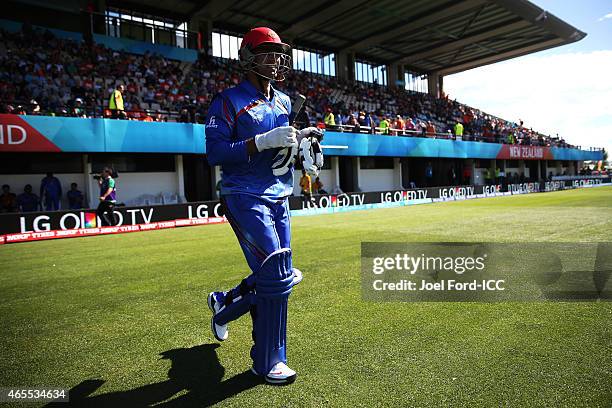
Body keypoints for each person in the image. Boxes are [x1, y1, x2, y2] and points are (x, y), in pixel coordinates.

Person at [204, 27, 321, 385]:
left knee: (277, 275)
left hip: (280, 194)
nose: (277, 60)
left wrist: (304, 144)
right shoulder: (227, 101)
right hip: (243, 194)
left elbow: (281, 149)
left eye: (280, 53)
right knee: (276, 275)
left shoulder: (286, 102)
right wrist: (260, 140)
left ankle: (226, 304)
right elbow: (215, 153)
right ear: (248, 58)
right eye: (267, 53)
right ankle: (268, 361)